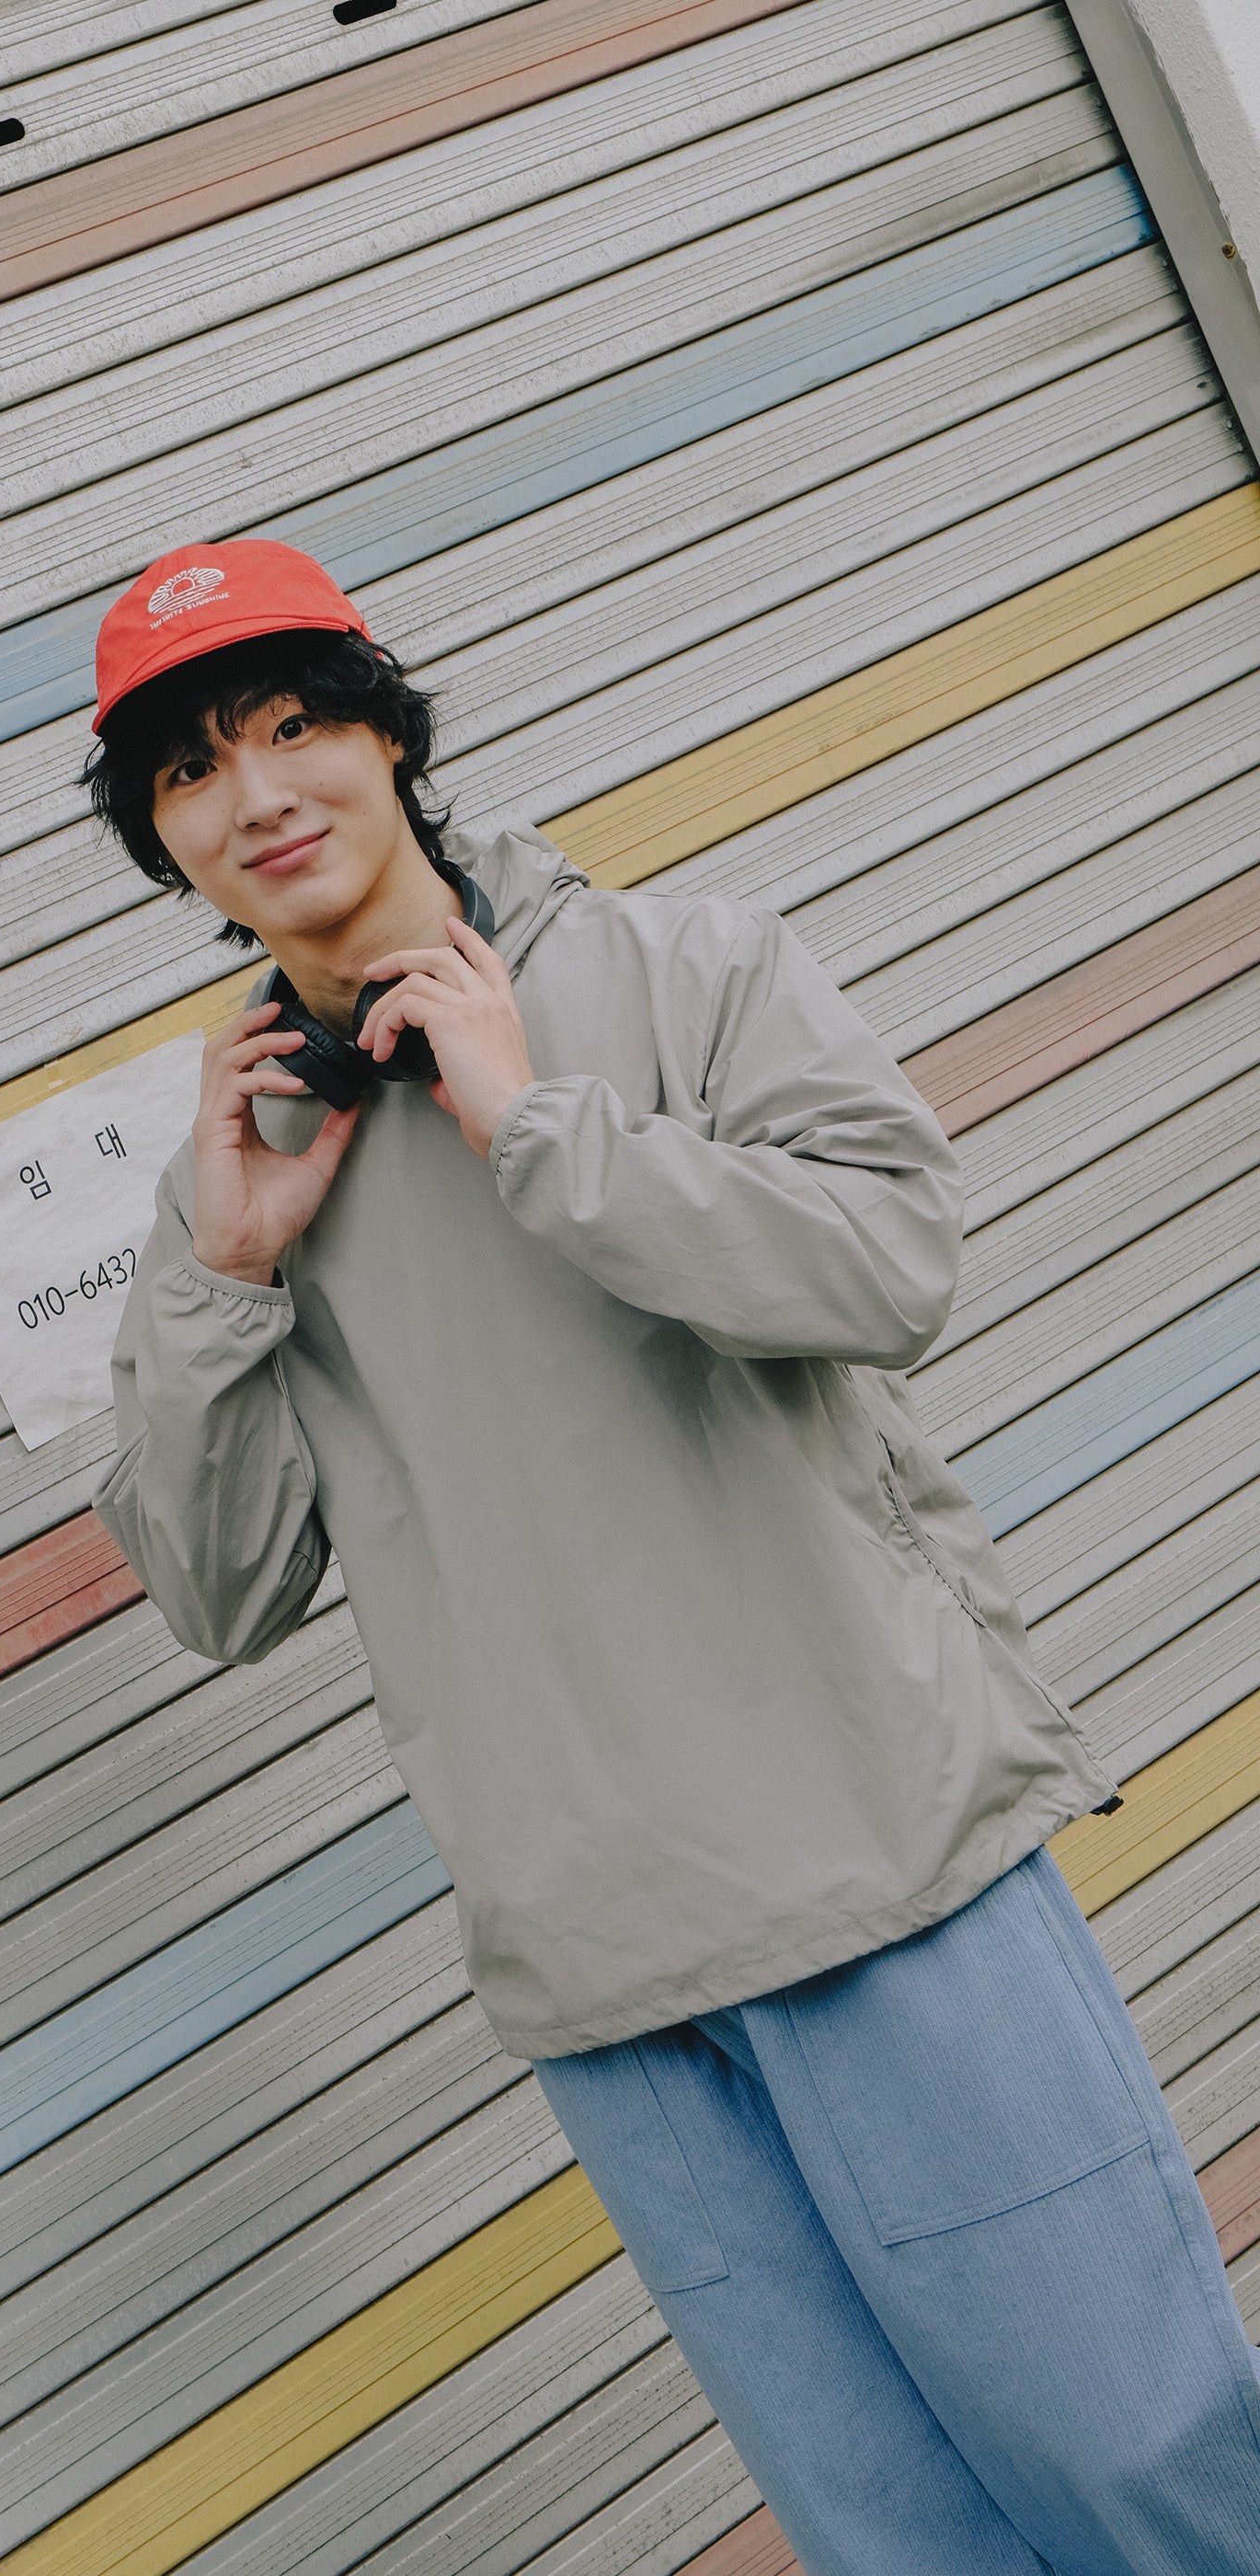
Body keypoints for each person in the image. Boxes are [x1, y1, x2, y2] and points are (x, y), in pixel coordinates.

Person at [86, 537, 1260, 2571]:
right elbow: (220, 1588)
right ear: (165, 842)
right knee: (889, 2528)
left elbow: (889, 1267)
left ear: (389, 737)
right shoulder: (239, 1155)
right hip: (600, 1961)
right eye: (192, 768)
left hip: (875, 1857)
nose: (258, 793)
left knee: (1139, 2457)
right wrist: (222, 1271)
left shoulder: (680, 967)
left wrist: (543, 1129)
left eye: (293, 726)